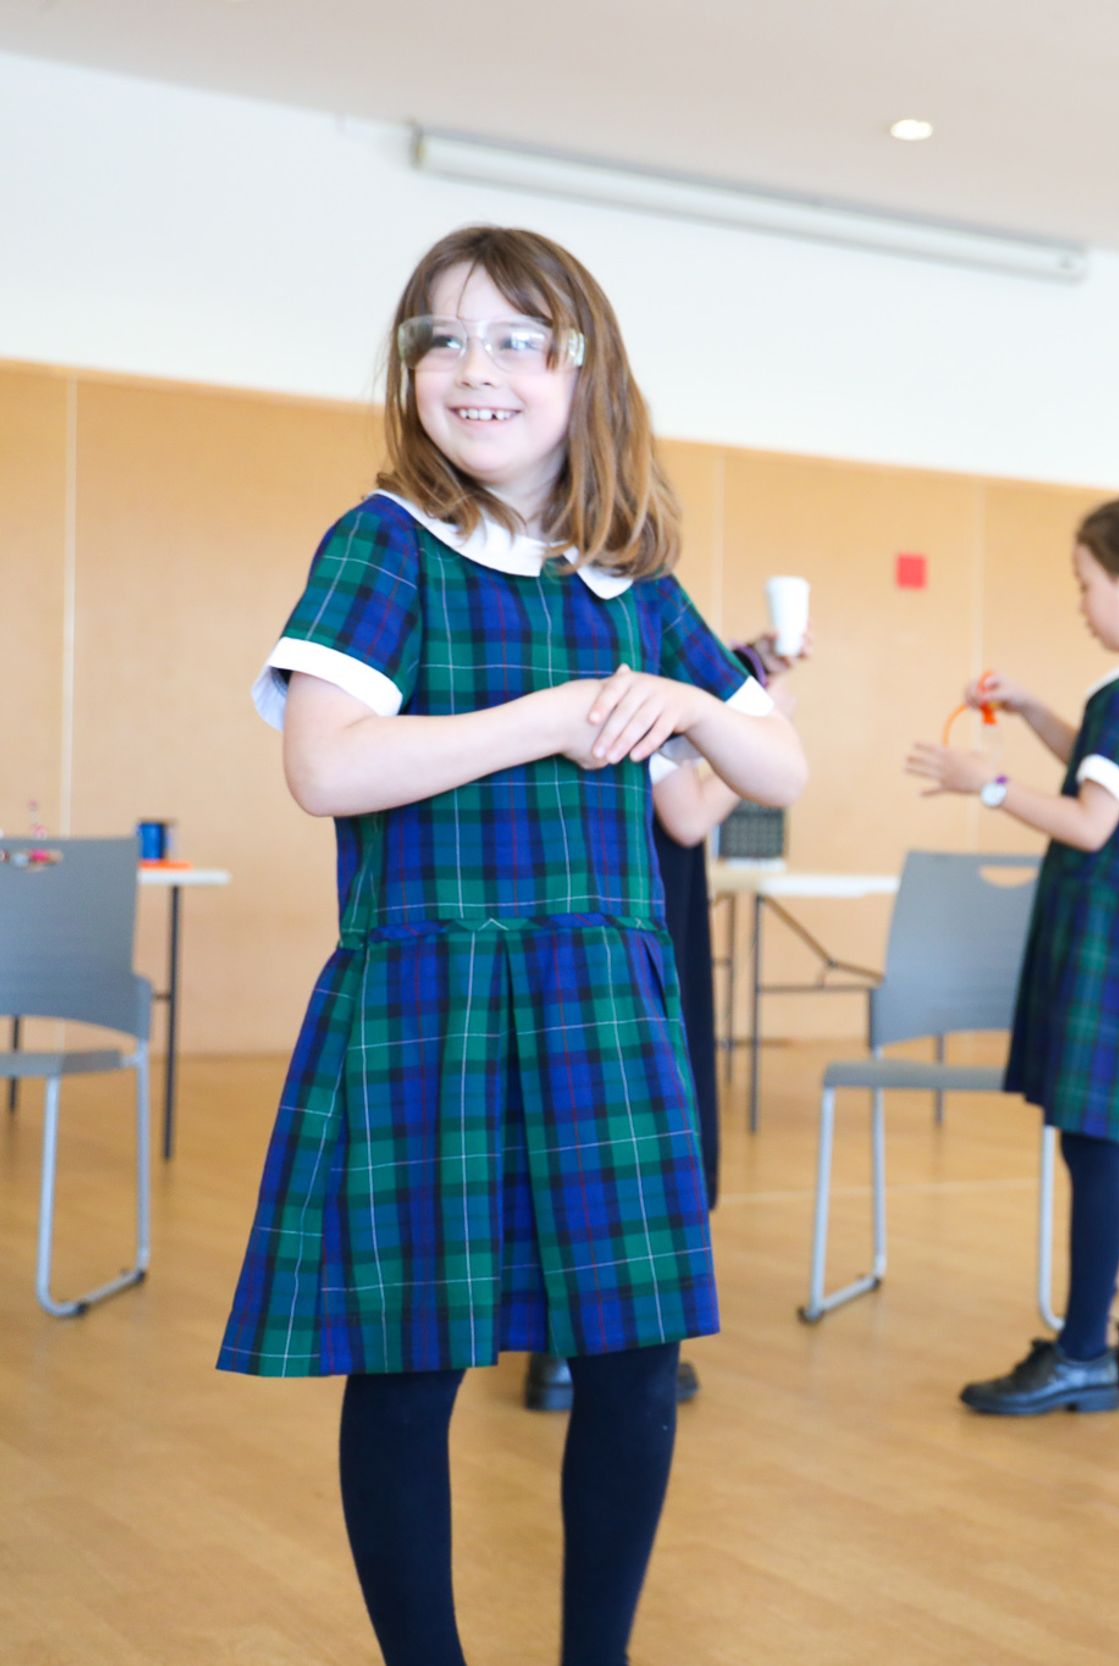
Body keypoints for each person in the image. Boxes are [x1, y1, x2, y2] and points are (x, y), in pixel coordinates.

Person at [219, 225, 805, 1666]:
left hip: (603, 1001)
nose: (472, 368)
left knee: (633, 1359)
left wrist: (694, 701)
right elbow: (326, 766)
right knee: (411, 1362)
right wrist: (552, 715)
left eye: (514, 340)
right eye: (442, 337)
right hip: (430, 994)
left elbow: (757, 774)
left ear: (582, 368)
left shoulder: (633, 580)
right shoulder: (384, 543)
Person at [905, 490, 1119, 1416]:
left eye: (1086, 585)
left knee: (1093, 1147)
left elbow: (1090, 822)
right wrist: (1030, 710)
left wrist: (987, 784)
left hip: (1108, 941)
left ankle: (1084, 1352)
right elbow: (1102, 772)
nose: (1081, 604)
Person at [524, 630, 809, 1412]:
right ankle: (581, 1352)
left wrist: (750, 671)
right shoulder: (634, 684)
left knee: (572, 1120)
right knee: (624, 1133)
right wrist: (770, 721)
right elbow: (687, 815)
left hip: (596, 911)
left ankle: (559, 1347)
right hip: (641, 914)